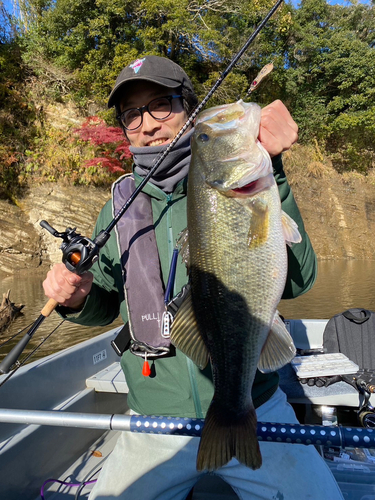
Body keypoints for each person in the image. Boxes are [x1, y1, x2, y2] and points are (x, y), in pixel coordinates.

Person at [43, 56, 344, 500]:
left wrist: (274, 171)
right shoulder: (119, 207)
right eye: (131, 114)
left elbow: (298, 281)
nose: (147, 124)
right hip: (154, 418)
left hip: (259, 407)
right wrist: (74, 299)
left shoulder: (247, 183)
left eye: (161, 104)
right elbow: (104, 305)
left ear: (188, 107)